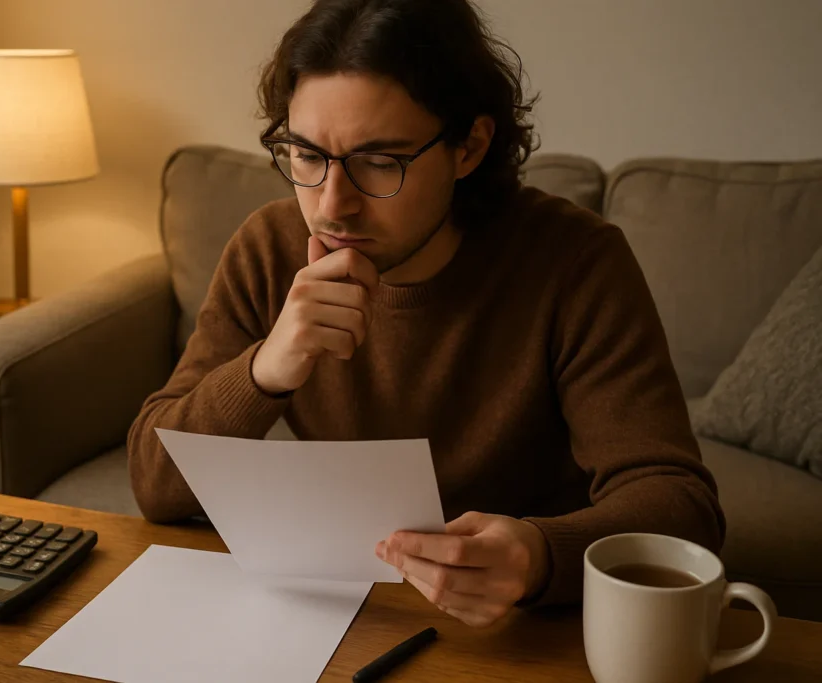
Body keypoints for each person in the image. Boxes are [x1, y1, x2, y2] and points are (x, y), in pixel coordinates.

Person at [128, 0, 724, 628]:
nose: (333, 205)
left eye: (380, 162)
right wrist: (266, 370)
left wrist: (540, 555)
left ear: (470, 146)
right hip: (351, 611)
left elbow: (681, 507)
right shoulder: (269, 249)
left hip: (527, 625)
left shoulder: (575, 262)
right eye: (306, 156)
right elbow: (153, 482)